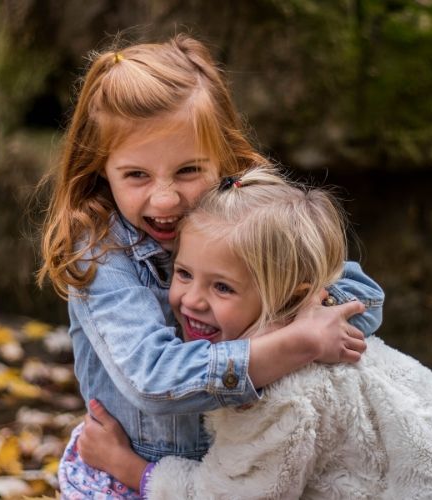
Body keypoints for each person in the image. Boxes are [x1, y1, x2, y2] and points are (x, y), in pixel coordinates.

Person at [38, 35, 384, 498]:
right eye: (136, 175)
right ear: (101, 168)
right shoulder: (102, 253)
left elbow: (363, 299)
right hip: (133, 473)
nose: (165, 199)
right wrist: (290, 344)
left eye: (187, 171)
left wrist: (295, 322)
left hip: (243, 468)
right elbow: (154, 379)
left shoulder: (247, 220)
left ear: (223, 157)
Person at [78, 168, 432, 499]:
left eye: (222, 287)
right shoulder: (322, 326)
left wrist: (130, 467)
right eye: (183, 273)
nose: (192, 300)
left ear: (292, 295)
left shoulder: (276, 395)